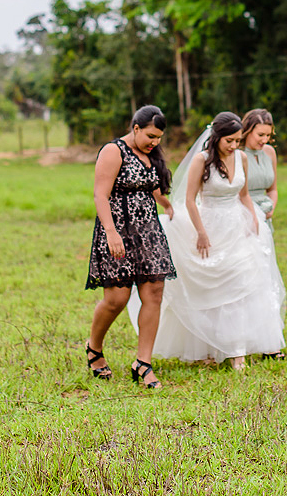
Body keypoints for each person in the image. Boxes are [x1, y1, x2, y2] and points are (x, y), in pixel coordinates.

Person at [150, 111, 286, 369]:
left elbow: (244, 194)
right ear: (217, 138)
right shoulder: (202, 161)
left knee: (241, 284)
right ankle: (209, 346)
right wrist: (201, 232)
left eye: (237, 140)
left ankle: (238, 351)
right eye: (229, 141)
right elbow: (190, 199)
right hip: (209, 223)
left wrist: (253, 218)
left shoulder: (242, 157)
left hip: (237, 224)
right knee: (212, 288)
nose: (234, 145)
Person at [84, 105, 176, 389]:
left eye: (159, 137)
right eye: (150, 135)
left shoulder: (149, 154)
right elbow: (101, 195)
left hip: (148, 231)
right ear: (135, 128)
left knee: (154, 293)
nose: (154, 142)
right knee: (116, 299)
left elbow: (152, 187)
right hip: (118, 231)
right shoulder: (114, 151)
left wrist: (169, 205)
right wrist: (111, 233)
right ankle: (94, 348)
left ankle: (143, 363)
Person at [240, 108, 286, 360]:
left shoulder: (269, 153)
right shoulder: (235, 154)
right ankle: (243, 340)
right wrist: (252, 213)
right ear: (247, 131)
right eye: (259, 134)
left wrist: (271, 207)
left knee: (267, 279)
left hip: (265, 220)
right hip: (243, 220)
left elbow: (273, 188)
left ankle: (270, 342)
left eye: (268, 135)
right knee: (247, 279)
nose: (264, 140)